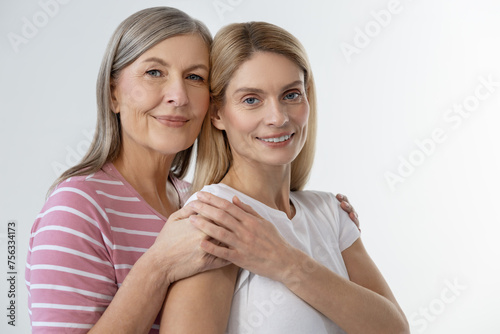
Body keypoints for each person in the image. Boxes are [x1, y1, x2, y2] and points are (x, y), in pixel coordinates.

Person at [25, 7, 359, 333]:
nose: (178, 95)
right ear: (113, 92)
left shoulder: (199, 201)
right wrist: (158, 266)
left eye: (194, 77)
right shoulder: (76, 208)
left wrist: (320, 229)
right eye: (154, 72)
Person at [160, 22, 410, 334]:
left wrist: (287, 264)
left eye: (291, 94)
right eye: (252, 99)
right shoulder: (216, 217)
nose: (278, 117)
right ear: (218, 114)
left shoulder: (328, 211)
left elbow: (395, 329)